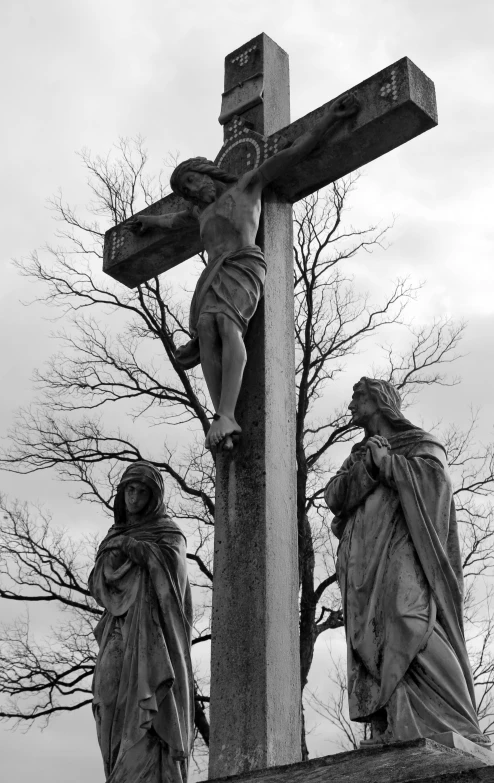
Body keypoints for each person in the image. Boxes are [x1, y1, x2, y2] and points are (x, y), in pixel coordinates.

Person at [127, 94, 359, 451]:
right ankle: (222, 412)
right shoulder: (199, 214)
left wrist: (330, 119)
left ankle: (228, 413)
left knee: (225, 324)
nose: (190, 190)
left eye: (191, 180)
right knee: (205, 328)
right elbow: (172, 221)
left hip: (244, 264)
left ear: (207, 173)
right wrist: (148, 222)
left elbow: (293, 154)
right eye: (184, 188)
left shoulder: (247, 185)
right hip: (214, 274)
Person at [325, 378, 490, 747]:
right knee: (375, 635)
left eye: (357, 398)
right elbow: (334, 496)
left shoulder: (419, 444)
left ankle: (460, 721)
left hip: (405, 548)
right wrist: (367, 466)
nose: (351, 407)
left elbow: (437, 485)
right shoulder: (356, 454)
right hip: (363, 567)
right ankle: (394, 723)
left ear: (380, 401)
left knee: (410, 619)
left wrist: (389, 465)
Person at [88, 461, 193, 783]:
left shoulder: (168, 533)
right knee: (106, 697)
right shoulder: (114, 534)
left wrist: (139, 550)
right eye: (129, 490)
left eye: (142, 492)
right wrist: (113, 557)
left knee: (147, 702)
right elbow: (97, 585)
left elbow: (174, 578)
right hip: (118, 629)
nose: (134, 498)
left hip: (152, 634)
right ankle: (116, 772)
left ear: (153, 497)